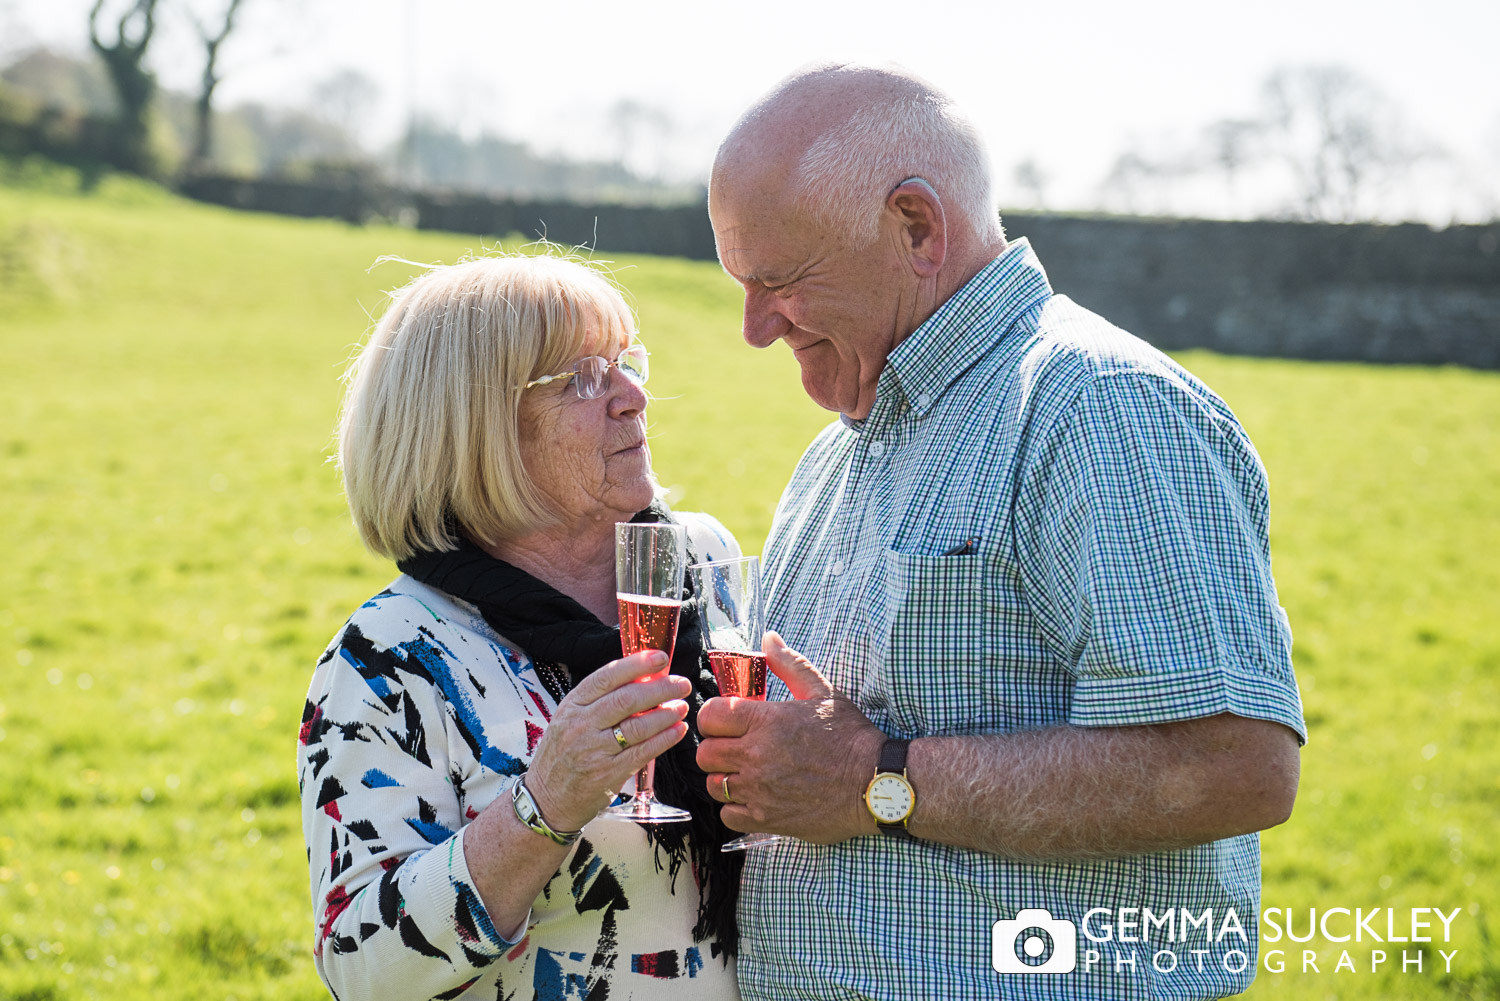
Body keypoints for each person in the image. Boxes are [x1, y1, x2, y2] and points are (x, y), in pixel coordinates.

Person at [696, 64, 1306, 1000]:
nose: (751, 327)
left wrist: (877, 780)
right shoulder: (836, 453)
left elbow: (1235, 768)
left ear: (917, 227)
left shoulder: (1099, 408)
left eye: (777, 280)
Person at [298, 253, 742, 1001]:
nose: (634, 396)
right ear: (476, 428)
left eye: (627, 361)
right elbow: (362, 967)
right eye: (583, 377)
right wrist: (544, 803)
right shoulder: (389, 657)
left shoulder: (703, 562)